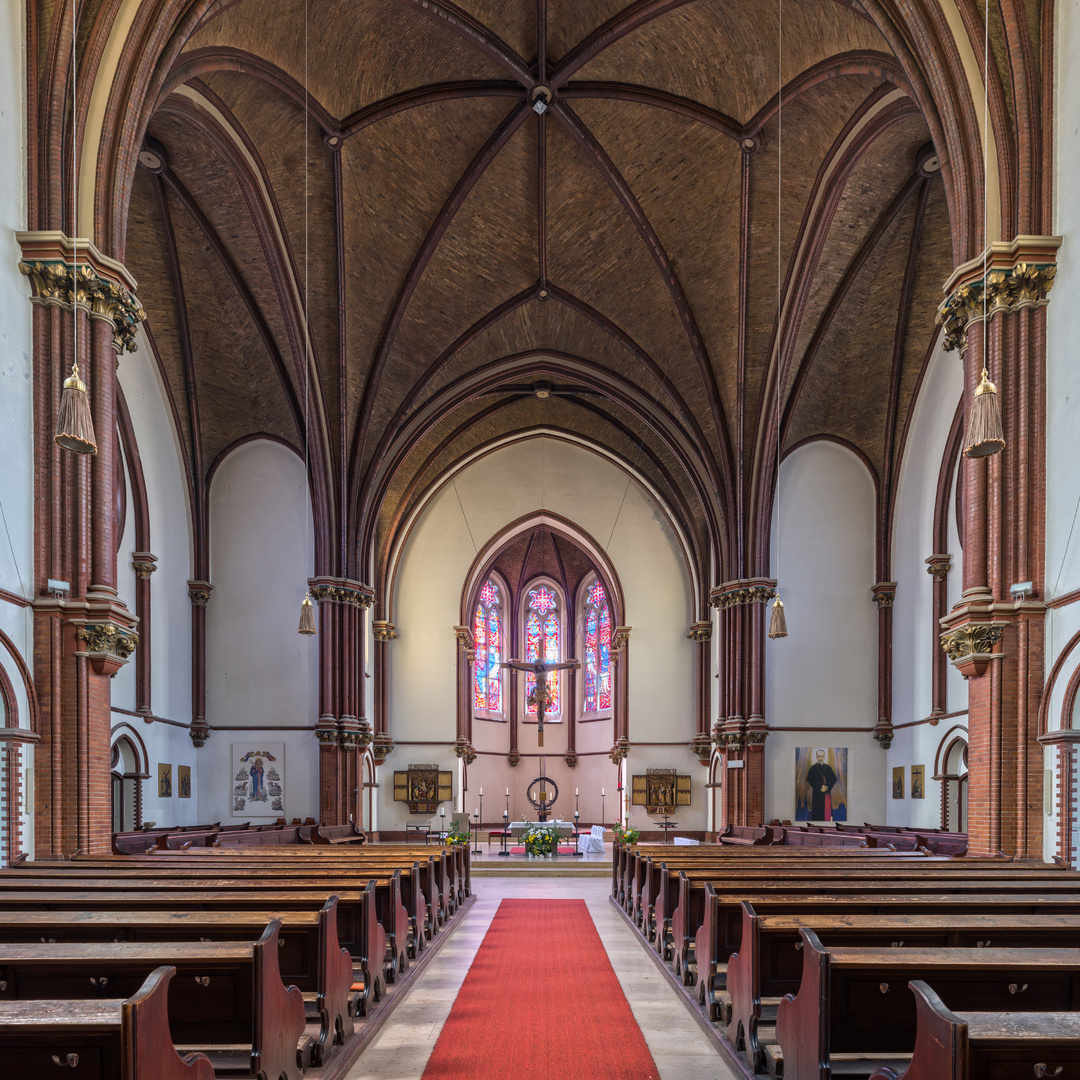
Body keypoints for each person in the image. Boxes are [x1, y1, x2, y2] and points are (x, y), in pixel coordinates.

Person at [805, 749, 837, 820]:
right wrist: (820, 787)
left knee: (827, 813)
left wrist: (827, 787)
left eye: (822, 756)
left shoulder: (828, 767)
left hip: (827, 792)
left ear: (824, 756)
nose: (821, 758)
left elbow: (834, 779)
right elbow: (810, 780)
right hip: (817, 793)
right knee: (818, 812)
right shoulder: (812, 768)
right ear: (816, 756)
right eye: (819, 756)